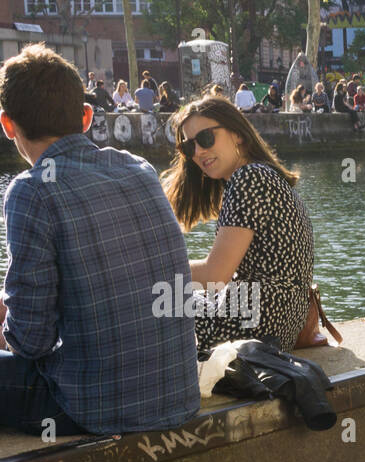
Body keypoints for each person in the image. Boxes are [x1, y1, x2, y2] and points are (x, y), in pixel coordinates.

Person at [0, 44, 198, 435]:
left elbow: (32, 342)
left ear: (8, 125)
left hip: (97, 408)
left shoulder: (31, 191)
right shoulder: (139, 169)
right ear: (86, 116)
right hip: (179, 394)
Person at [162, 95, 315, 350]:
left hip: (258, 321)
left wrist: (153, 272)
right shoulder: (260, 175)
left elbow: (215, 275)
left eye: (206, 139)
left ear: (238, 134)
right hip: (278, 320)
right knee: (166, 298)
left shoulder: (249, 178)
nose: (198, 152)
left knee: (146, 303)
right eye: (190, 147)